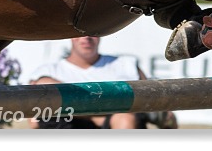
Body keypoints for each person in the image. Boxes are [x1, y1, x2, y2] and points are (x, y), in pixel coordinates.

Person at [29, 35, 177, 129]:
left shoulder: (126, 63)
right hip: (67, 126)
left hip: (119, 122)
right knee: (46, 83)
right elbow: (34, 121)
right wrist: (98, 116)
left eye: (93, 32)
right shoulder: (48, 71)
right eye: (80, 32)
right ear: (71, 36)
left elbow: (159, 110)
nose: (86, 37)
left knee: (125, 120)